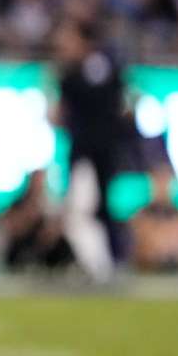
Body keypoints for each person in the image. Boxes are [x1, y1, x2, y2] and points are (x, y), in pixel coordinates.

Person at [52, 18, 130, 262]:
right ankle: (98, 260)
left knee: (89, 208)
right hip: (91, 150)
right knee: (87, 208)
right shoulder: (76, 72)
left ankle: (104, 261)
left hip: (94, 152)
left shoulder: (90, 71)